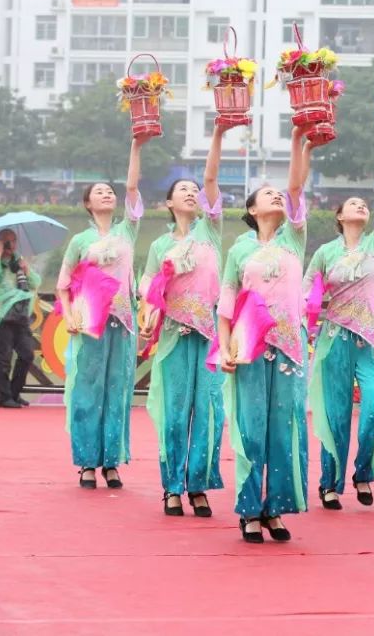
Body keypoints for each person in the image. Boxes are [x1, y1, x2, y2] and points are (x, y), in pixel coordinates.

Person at [217, 125, 313, 543]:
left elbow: (295, 187)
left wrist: (296, 141)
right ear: (252, 210)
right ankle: (250, 508)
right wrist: (224, 348)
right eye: (266, 195)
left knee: (285, 427)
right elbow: (226, 303)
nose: (275, 197)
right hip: (249, 348)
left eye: (278, 195)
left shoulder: (295, 238)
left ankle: (277, 508)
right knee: (252, 426)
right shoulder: (239, 250)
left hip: (290, 347)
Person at [304, 151, 374, 510]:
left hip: (370, 339)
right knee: (335, 415)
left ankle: (363, 473)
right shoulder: (324, 253)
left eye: (364, 203)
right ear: (339, 216)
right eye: (353, 203)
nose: (361, 206)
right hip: (334, 337)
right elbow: (307, 292)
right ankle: (329, 483)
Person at [139, 124, 228, 518]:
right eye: (183, 191)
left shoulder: (211, 230)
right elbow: (148, 285)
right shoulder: (160, 246)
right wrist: (148, 313)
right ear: (169, 204)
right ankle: (172, 486)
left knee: (208, 410)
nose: (192, 194)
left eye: (195, 192)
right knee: (175, 412)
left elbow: (210, 177)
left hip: (210, 333)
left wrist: (218, 136)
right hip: (174, 335)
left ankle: (199, 485)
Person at [57, 137, 144, 490]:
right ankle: (87, 462)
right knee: (87, 389)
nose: (108, 194)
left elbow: (133, 186)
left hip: (123, 322)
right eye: (100, 192)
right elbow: (63, 284)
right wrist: (67, 315)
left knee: (118, 388)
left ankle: (111, 462)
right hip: (89, 324)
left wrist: (136, 146)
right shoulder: (80, 241)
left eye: (110, 191)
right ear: (87, 203)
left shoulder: (127, 230)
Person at [0, 229, 41, 408]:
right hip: (1, 317)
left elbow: (36, 283)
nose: (10, 245)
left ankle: (13, 393)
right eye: (6, 241)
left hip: (20, 316)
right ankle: (4, 397)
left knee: (27, 354)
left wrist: (26, 269)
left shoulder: (19, 263)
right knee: (3, 359)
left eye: (13, 241)